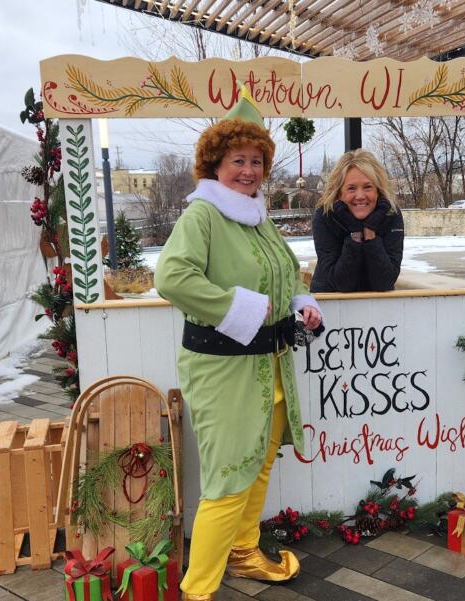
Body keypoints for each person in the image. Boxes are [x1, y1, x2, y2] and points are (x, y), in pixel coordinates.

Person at [154, 88, 323, 601]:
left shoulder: (259, 216)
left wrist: (301, 302)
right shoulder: (202, 216)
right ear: (215, 164)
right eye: (237, 161)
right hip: (224, 372)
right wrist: (240, 307)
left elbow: (286, 271)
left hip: (270, 367)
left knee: (260, 464)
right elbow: (172, 277)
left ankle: (245, 553)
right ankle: (198, 590)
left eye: (255, 161)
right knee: (228, 479)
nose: (247, 171)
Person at [310, 149, 404, 293]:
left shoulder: (391, 215)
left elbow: (384, 282)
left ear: (378, 190)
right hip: (331, 302)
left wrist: (370, 233)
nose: (360, 196)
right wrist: (355, 233)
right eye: (351, 188)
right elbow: (342, 283)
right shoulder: (324, 216)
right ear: (339, 192)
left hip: (379, 306)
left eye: (367, 187)